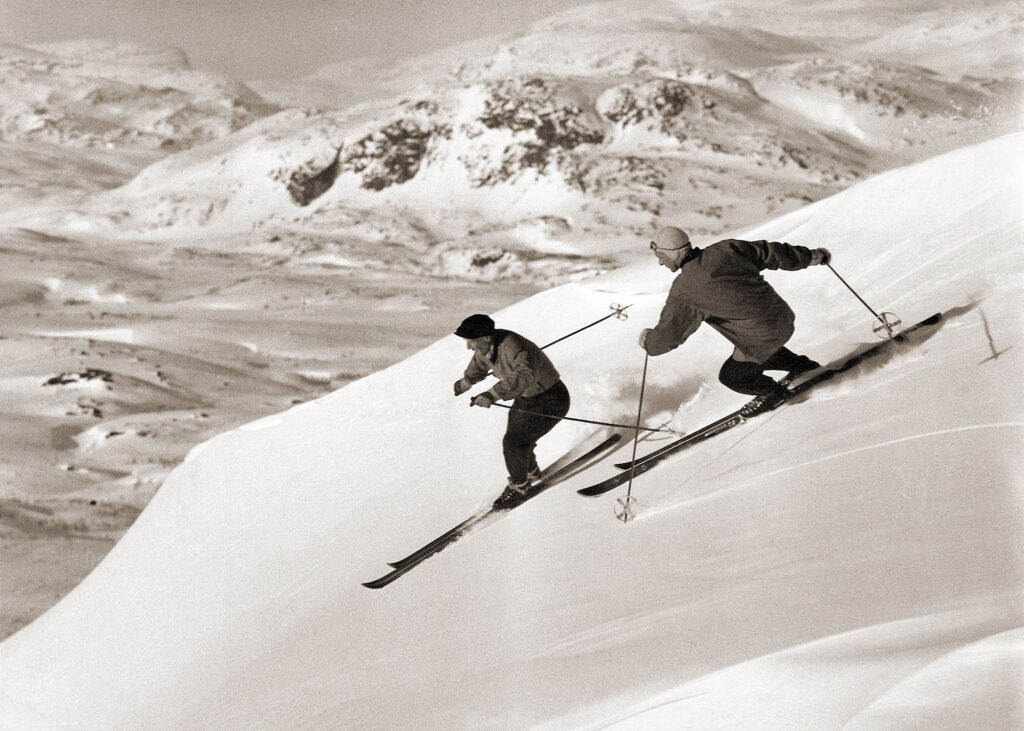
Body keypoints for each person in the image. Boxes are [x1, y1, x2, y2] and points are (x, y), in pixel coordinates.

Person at [639, 226, 831, 416]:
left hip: (761, 336)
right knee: (751, 349)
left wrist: (648, 342)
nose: (660, 263)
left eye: (660, 256)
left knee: (732, 376)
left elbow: (669, 334)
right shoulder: (726, 249)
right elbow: (772, 252)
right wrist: (810, 256)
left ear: (671, 252)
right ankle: (802, 367)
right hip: (783, 318)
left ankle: (772, 393)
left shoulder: (685, 290)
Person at [453, 314, 571, 509]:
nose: (469, 347)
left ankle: (520, 487)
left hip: (550, 399)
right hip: (528, 399)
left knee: (513, 443)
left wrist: (492, 394)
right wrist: (467, 381)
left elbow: (524, 376)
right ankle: (529, 471)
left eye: (471, 342)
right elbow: (480, 361)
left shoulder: (515, 347)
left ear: (486, 337)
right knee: (516, 435)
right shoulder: (488, 346)